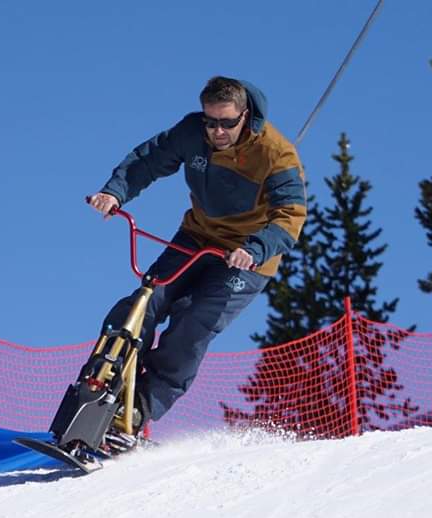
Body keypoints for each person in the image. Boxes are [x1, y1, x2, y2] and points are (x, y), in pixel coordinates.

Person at [88, 76, 306, 451]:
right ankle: (98, 383)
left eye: (227, 123)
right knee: (145, 301)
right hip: (197, 238)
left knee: (193, 325)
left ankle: (138, 410)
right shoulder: (193, 133)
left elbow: (290, 216)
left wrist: (256, 248)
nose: (217, 131)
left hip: (246, 257)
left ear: (245, 116)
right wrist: (115, 192)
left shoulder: (276, 153)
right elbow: (149, 159)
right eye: (210, 121)